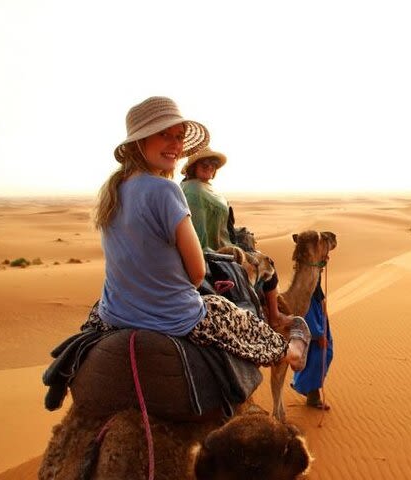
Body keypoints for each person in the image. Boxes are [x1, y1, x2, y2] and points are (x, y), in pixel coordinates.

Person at [87, 95, 309, 371]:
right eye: (163, 134)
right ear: (139, 142)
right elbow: (197, 273)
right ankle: (290, 352)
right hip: (172, 316)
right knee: (240, 321)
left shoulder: (113, 191)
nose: (175, 144)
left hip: (115, 312)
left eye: (179, 136)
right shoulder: (166, 190)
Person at [180, 147, 293, 330]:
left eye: (213, 164)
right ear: (194, 166)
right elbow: (199, 233)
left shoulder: (200, 187)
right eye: (205, 163)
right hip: (213, 252)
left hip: (222, 244)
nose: (210, 167)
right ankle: (274, 316)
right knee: (267, 264)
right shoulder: (194, 191)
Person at [292, 273, 333, 410]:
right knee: (317, 360)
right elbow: (307, 313)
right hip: (315, 322)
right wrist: (318, 334)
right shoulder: (307, 286)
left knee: (319, 357)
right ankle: (312, 396)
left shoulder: (315, 284)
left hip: (320, 317)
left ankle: (304, 386)